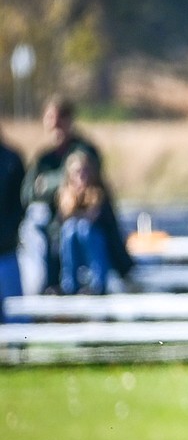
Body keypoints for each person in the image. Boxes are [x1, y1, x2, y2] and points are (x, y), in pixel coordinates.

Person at [21, 95, 133, 292]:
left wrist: (47, 183)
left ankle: (98, 284)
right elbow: (28, 192)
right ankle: (52, 284)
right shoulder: (44, 158)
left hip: (90, 219)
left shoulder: (85, 148)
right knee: (41, 224)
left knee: (80, 230)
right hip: (56, 220)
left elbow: (87, 179)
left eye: (59, 119)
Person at [55, 149, 113, 295]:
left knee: (84, 229)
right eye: (77, 172)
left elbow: (93, 216)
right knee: (69, 230)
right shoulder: (65, 193)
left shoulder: (97, 192)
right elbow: (65, 216)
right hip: (74, 244)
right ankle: (69, 284)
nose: (81, 176)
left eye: (84, 171)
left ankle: (97, 284)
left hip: (94, 242)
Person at [0, 126, 25, 319]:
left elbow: (21, 204)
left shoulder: (12, 160)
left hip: (6, 251)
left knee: (16, 317)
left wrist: (9, 233)